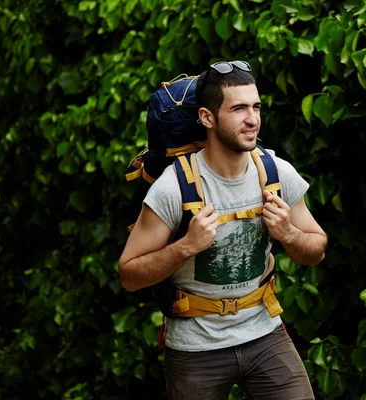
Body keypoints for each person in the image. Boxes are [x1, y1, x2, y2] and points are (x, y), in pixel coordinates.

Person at [118, 61, 327, 400]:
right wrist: (186, 246)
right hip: (195, 348)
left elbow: (316, 250)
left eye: (256, 106)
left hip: (264, 334)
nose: (253, 119)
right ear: (207, 118)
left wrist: (289, 233)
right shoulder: (174, 187)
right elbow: (129, 274)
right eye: (239, 108)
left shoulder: (275, 172)